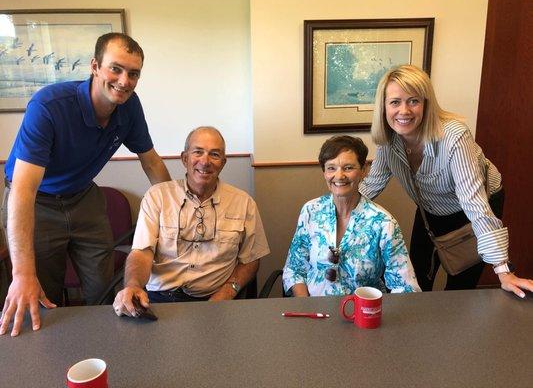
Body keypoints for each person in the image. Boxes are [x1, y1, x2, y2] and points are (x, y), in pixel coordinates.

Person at [1, 32, 171, 336]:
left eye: (133, 73)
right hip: (37, 202)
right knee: (41, 296)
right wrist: (22, 272)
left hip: (83, 198)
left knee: (105, 292)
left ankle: (108, 357)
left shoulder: (130, 108)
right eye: (115, 69)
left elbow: (151, 161)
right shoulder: (49, 106)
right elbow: (23, 190)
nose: (124, 80)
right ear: (95, 66)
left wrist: (175, 209)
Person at [359, 64, 533, 297]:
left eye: (413, 101)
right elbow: (372, 184)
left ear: (426, 104)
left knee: (460, 284)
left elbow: (475, 204)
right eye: (395, 102)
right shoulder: (388, 140)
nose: (404, 111)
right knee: (417, 275)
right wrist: (330, 211)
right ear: (383, 106)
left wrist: (503, 271)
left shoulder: (453, 136)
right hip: (429, 207)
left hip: (474, 206)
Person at [113, 127, 269, 316]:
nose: (205, 161)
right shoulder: (157, 196)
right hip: (159, 300)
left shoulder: (244, 203)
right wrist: (133, 284)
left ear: (223, 163)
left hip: (216, 300)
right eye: (198, 152)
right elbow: (142, 252)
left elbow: (250, 260)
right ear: (184, 158)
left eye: (214, 154)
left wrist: (227, 293)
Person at [283, 136, 420, 297]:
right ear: (324, 172)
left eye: (348, 168)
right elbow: (294, 269)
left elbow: (405, 286)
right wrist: (306, 306)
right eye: (331, 168)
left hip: (363, 314)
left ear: (364, 170)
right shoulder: (311, 211)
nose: (339, 176)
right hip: (314, 313)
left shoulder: (383, 223)